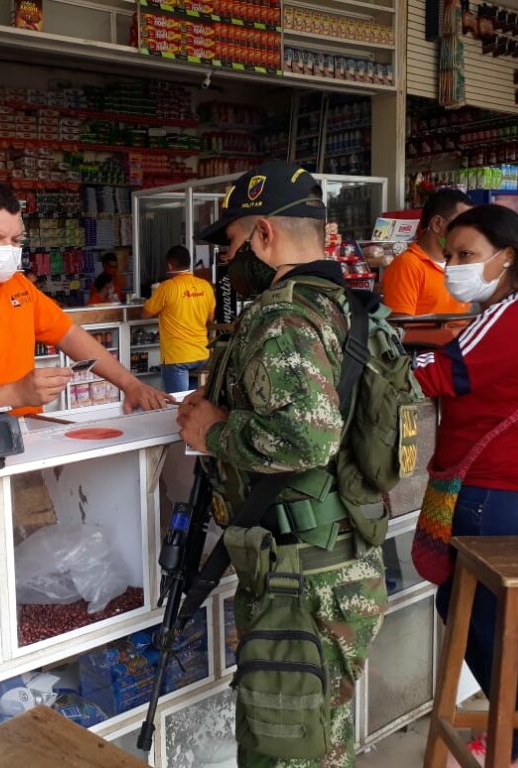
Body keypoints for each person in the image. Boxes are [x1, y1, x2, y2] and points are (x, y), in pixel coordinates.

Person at [177, 161, 387, 768]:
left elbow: (303, 440)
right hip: (346, 555)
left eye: (236, 243)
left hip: (304, 578)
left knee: (286, 746)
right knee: (324, 733)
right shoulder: (354, 306)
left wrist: (213, 431)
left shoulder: (282, 313)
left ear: (265, 235)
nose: (230, 261)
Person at [413, 204, 518, 768]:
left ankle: (511, 745)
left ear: (506, 257)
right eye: (449, 256)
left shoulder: (509, 314)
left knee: (484, 623)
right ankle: (515, 735)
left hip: (494, 495)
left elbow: (431, 374)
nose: (453, 267)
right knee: (493, 622)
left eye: (466, 255)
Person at [0, 180, 171, 415]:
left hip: (29, 437)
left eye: (15, 241)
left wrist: (130, 384)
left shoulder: (14, 284)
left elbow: (68, 334)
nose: (7, 250)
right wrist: (15, 393)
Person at [382, 188, 474, 316]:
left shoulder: (464, 264)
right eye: (462, 224)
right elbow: (400, 329)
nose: (469, 232)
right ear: (437, 224)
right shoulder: (408, 265)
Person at [142, 244, 216, 394]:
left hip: (177, 357)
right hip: (202, 354)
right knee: (197, 403)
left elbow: (145, 314)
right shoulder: (205, 286)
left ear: (169, 265)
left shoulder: (166, 287)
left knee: (177, 405)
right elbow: (211, 318)